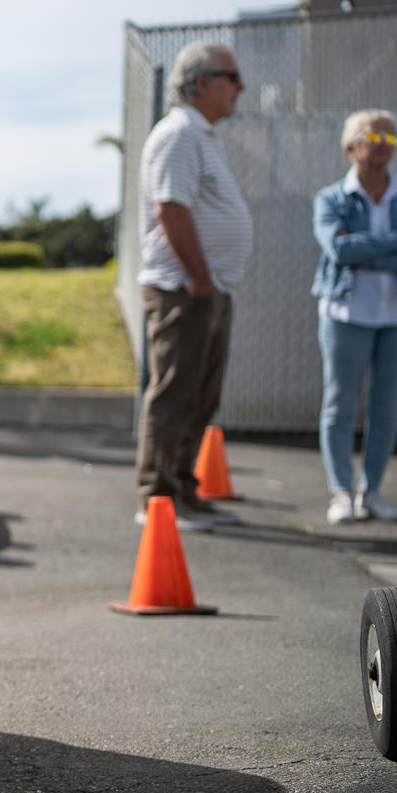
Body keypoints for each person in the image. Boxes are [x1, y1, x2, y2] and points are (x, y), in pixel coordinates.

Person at [132, 42, 251, 530]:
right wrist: (200, 277)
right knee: (175, 392)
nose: (240, 86)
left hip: (206, 287)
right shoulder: (179, 134)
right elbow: (171, 208)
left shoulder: (202, 135)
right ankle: (157, 499)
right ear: (202, 83)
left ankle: (181, 485)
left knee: (201, 394)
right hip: (184, 286)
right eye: (232, 76)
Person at [311, 110, 397, 523]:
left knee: (388, 406)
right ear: (350, 146)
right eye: (373, 136)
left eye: (392, 139)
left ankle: (371, 491)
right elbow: (339, 251)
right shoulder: (331, 198)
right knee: (340, 402)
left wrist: (368, 252)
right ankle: (341, 491)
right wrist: (395, 240)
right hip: (346, 312)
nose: (382, 145)